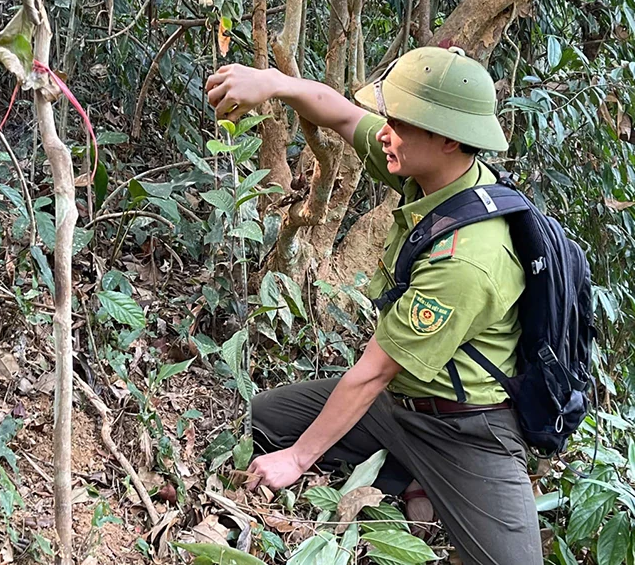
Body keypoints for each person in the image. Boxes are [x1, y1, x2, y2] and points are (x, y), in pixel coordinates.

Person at [205, 46, 542, 565]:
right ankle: (406, 474)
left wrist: (297, 460)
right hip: (396, 405)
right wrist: (273, 83)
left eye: (400, 123)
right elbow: (341, 114)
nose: (385, 132)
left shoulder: (469, 259)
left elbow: (371, 373)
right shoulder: (428, 174)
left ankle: (425, 477)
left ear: (449, 138)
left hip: (465, 430)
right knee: (260, 419)